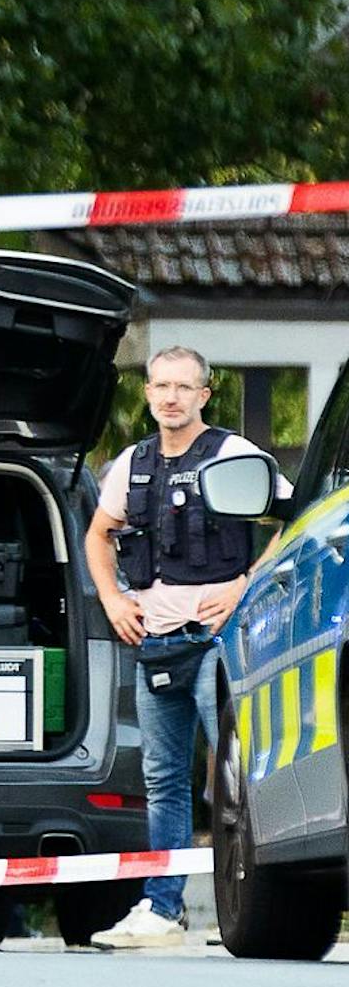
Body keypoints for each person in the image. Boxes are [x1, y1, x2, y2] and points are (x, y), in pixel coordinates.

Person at [84, 345, 288, 948]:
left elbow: (291, 520)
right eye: (160, 386)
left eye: (183, 387)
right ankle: (162, 909)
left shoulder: (235, 455)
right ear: (147, 394)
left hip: (219, 640)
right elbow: (99, 536)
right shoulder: (131, 464)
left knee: (236, 776)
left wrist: (244, 590)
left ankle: (254, 907)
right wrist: (115, 600)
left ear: (205, 393)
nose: (170, 397)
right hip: (157, 641)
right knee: (163, 779)